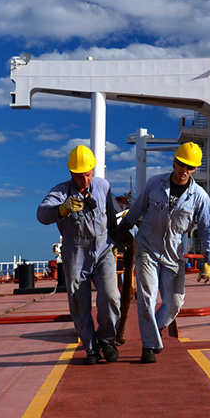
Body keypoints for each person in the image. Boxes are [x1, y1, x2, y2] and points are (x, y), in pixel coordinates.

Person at [117, 142, 210, 363]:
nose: (184, 170)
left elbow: (208, 228)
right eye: (181, 164)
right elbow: (136, 210)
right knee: (147, 298)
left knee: (174, 302)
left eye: (190, 167)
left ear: (194, 170)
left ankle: (155, 328)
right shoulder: (155, 184)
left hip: (173, 251)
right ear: (174, 161)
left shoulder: (199, 196)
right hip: (147, 246)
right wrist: (121, 231)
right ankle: (149, 346)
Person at [37, 145, 121, 365]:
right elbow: (41, 214)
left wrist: (120, 240)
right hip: (76, 253)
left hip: (103, 250)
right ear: (71, 173)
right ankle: (91, 348)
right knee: (79, 302)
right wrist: (61, 210)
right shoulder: (61, 192)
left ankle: (107, 340)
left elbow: (111, 217)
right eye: (80, 175)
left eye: (88, 174)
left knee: (111, 296)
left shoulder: (103, 186)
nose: (85, 180)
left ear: (92, 170)